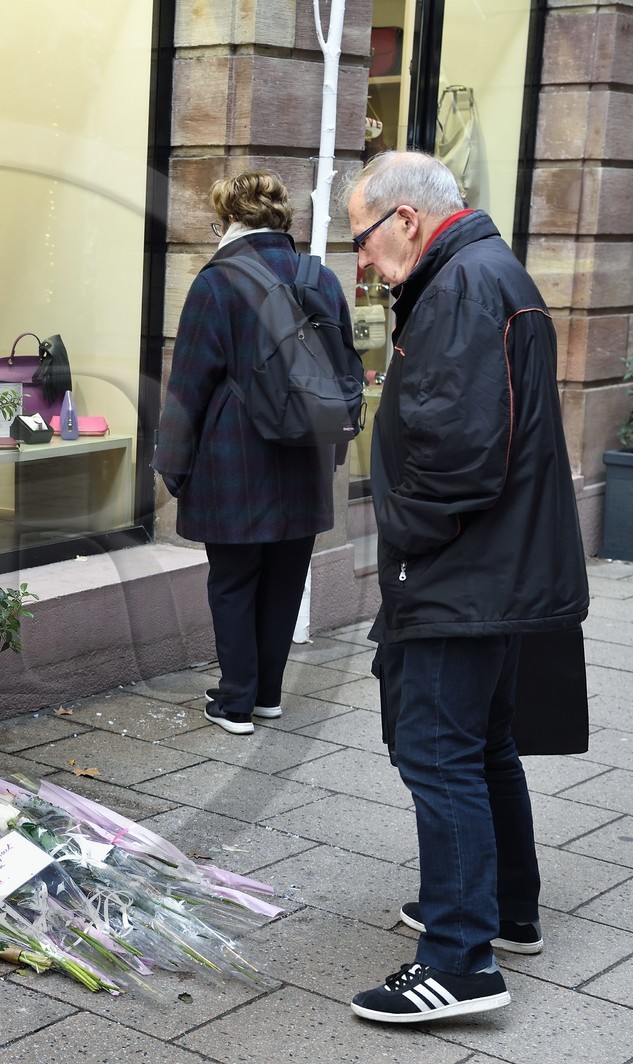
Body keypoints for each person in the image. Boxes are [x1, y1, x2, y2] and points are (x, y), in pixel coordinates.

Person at [339, 151, 589, 1023]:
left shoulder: (459, 290)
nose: (360, 261)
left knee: (438, 755)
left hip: (464, 573)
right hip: (495, 568)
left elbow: (456, 456)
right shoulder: (481, 273)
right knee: (483, 746)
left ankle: (460, 961)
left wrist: (405, 547)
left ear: (406, 220)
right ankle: (503, 911)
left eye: (362, 238)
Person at [152, 172, 360, 735]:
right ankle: (268, 694)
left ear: (228, 218)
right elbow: (346, 368)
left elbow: (188, 385)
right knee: (284, 580)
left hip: (234, 459)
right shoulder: (318, 276)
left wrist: (172, 465)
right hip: (306, 456)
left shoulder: (216, 283)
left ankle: (235, 701)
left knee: (234, 581)